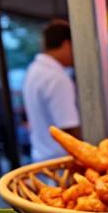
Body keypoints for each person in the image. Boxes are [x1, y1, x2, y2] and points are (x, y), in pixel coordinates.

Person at [22, 19, 81, 163]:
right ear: (67, 44)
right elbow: (68, 127)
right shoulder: (56, 77)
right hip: (60, 163)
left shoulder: (33, 71)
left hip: (40, 158)